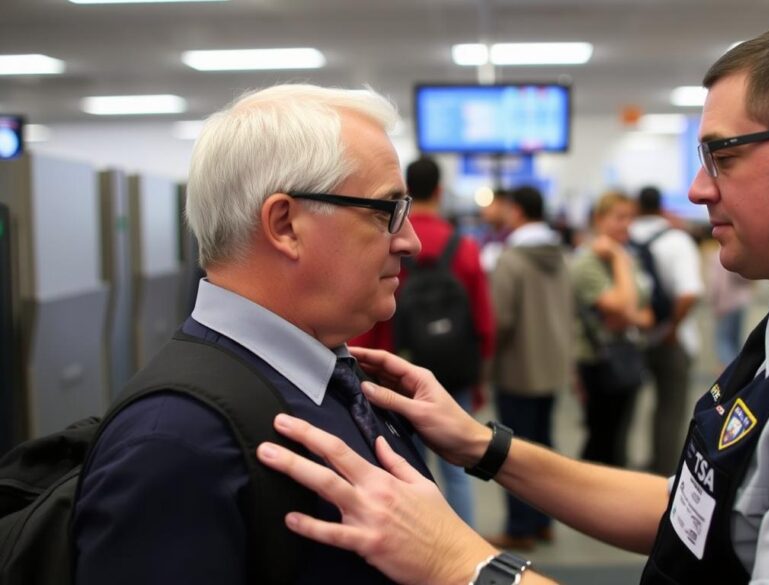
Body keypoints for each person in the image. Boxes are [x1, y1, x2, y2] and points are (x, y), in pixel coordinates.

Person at [257, 17, 769, 585]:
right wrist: (483, 447)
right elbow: (702, 508)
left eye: (722, 154)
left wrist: (462, 560)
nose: (697, 189)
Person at [73, 84, 432, 584]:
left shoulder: (329, 379)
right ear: (285, 224)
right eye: (384, 211)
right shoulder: (177, 442)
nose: (410, 240)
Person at [350, 156, 495, 527]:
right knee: (459, 468)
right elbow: (483, 320)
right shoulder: (463, 246)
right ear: (441, 191)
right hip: (454, 369)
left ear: (407, 192)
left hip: (394, 369)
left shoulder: (385, 241)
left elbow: (365, 310)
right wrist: (479, 377)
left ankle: (421, 544)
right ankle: (465, 550)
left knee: (404, 464)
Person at [485, 185, 575, 550]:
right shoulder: (560, 254)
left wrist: (488, 360)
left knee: (514, 449)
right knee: (544, 443)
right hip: (551, 363)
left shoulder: (511, 258)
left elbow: (501, 319)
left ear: (517, 210)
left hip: (518, 366)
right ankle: (543, 522)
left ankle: (520, 529)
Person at [572, 191, 653, 467]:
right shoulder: (588, 262)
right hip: (598, 361)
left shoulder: (630, 256)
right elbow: (624, 305)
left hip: (628, 354)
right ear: (599, 219)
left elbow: (646, 314)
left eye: (630, 217)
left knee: (620, 438)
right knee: (601, 440)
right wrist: (619, 261)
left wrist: (629, 314)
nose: (626, 225)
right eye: (619, 218)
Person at [628, 185, 704, 475]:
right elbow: (689, 292)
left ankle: (618, 471)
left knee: (625, 409)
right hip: (672, 340)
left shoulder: (626, 236)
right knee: (670, 409)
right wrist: (672, 327)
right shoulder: (676, 240)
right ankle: (662, 473)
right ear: (661, 206)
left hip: (631, 335)